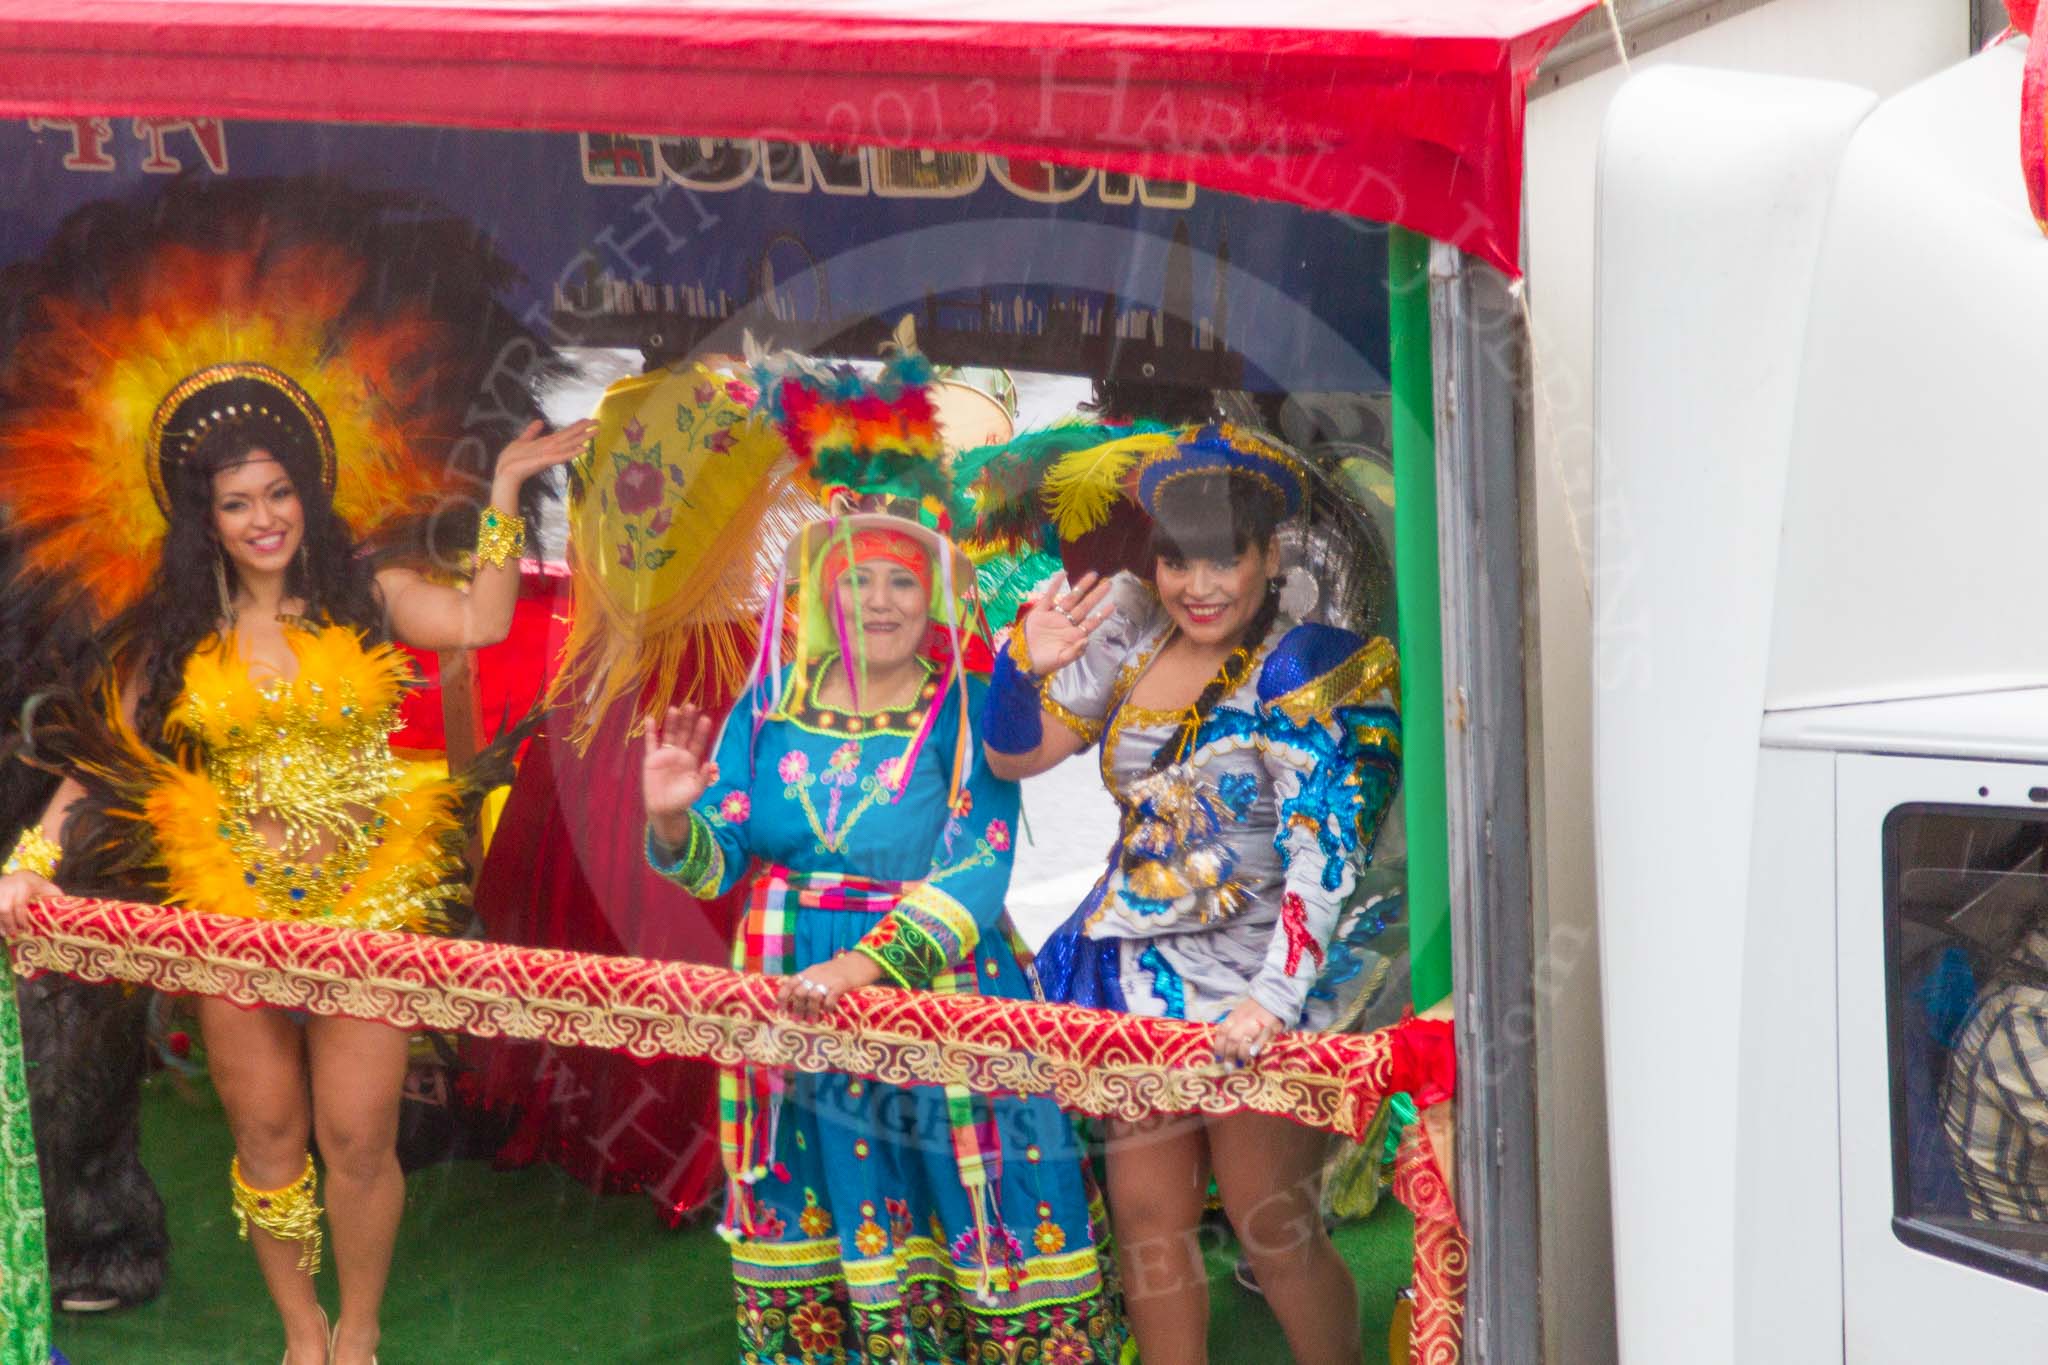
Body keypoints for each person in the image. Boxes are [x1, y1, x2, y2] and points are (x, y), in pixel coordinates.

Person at [0, 362, 592, 1365]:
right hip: (231, 915)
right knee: (269, 1145)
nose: (263, 518)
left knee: (357, 1141)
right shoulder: (177, 636)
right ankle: (301, 1334)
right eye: (237, 503)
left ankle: (357, 1334)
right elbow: (99, 769)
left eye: (277, 493)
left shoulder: (368, 592)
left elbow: (483, 622)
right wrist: (31, 860)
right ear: (208, 520)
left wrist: (500, 495)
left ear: (306, 495)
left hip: (366, 907)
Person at [641, 502, 1125, 1363]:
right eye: (856, 580)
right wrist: (675, 823)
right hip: (795, 991)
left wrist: (861, 967)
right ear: (824, 598)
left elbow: (979, 867)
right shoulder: (772, 704)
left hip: (938, 988)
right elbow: (719, 860)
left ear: (935, 598)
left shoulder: (969, 709)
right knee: (824, 1181)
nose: (880, 600)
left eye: (903, 579)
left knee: (967, 1185)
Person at [980, 423, 1401, 1365]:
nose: (1198, 585)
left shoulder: (1314, 667)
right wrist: (1021, 666)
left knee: (1269, 1223)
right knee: (1146, 1217)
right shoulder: (1133, 634)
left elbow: (1325, 850)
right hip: (1139, 975)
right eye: (1177, 561)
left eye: (1224, 560)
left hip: (1264, 981)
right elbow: (1016, 754)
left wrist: (1273, 1001)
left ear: (1270, 556)